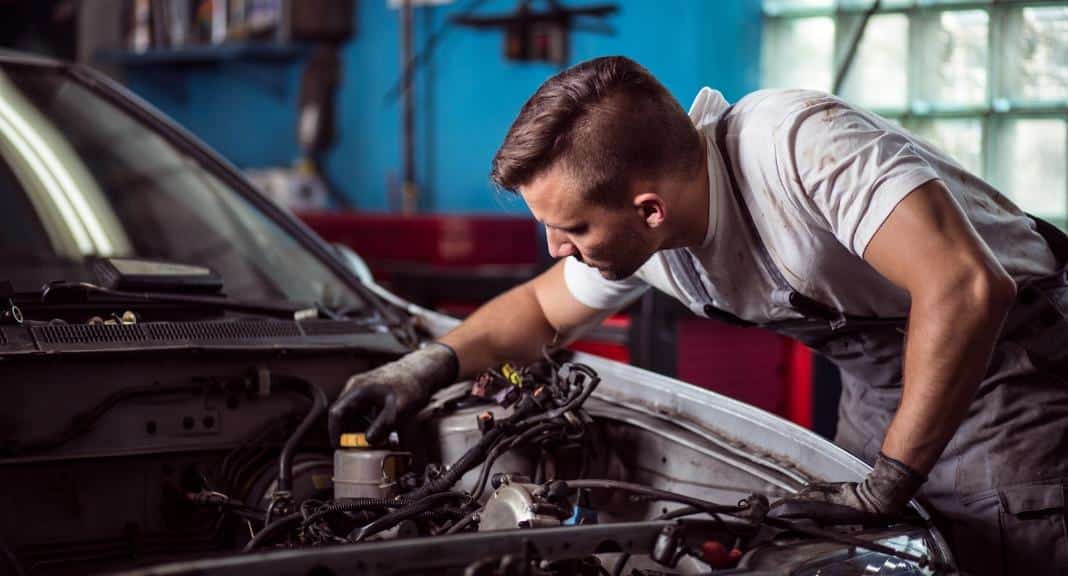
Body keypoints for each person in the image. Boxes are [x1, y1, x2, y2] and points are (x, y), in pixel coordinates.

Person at [329, 56, 1068, 575]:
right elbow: (537, 311)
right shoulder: (653, 236)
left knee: (995, 549)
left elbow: (967, 286)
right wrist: (424, 364)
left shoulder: (802, 148)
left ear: (647, 209)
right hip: (882, 379)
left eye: (572, 230)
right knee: (867, 559)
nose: (558, 250)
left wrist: (887, 480)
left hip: (1012, 362)